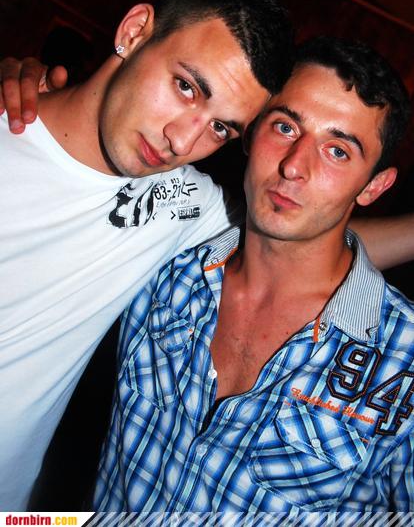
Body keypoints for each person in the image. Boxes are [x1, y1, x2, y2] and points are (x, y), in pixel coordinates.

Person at [0, 0, 295, 510]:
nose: (182, 140)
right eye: (186, 87)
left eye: (221, 128)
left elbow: (303, 245)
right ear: (134, 31)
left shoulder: (180, 199)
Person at [93, 37, 414, 513]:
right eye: (285, 127)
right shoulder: (166, 256)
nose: (294, 166)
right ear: (250, 131)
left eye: (337, 151)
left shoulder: (403, 360)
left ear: (374, 186)